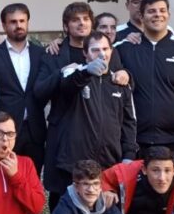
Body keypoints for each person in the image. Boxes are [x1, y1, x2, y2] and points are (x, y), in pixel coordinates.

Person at [44, 31, 137, 197]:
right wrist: (86, 72)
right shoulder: (74, 73)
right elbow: (68, 86)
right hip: (74, 166)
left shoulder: (120, 83)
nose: (101, 53)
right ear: (85, 53)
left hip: (109, 164)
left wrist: (128, 155)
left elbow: (129, 123)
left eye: (105, 49)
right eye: (95, 50)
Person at [115, 0, 174, 154]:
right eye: (151, 11)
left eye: (162, 10)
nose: (158, 15)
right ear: (141, 17)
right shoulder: (123, 49)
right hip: (132, 140)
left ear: (169, 15)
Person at [0, 3, 46, 172]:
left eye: (22, 21)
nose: (18, 25)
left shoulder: (41, 53)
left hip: (35, 128)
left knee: (32, 179)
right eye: (13, 21)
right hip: (4, 131)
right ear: (4, 26)